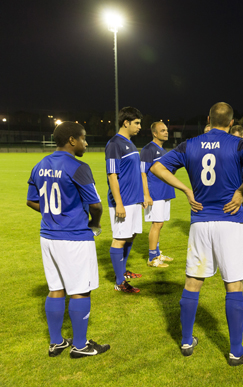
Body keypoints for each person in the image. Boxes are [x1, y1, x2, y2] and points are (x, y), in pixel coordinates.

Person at [151, 102, 243, 366]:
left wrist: (186, 190)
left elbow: (157, 167)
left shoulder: (190, 144)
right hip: (230, 221)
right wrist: (240, 192)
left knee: (193, 282)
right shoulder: (238, 144)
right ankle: (236, 352)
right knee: (233, 285)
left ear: (208, 119)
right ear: (231, 121)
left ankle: (186, 340)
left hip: (200, 221)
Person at [27, 122, 110, 358]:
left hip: (48, 236)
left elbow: (32, 201)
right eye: (83, 139)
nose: (85, 143)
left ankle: (57, 343)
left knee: (56, 288)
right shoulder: (78, 167)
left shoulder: (40, 165)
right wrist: (94, 223)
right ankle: (81, 345)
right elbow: (95, 205)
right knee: (80, 290)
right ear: (72, 140)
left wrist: (53, 214)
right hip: (74, 237)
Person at [105, 106, 144, 293]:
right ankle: (120, 282)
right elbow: (112, 175)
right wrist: (119, 203)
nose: (139, 127)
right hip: (123, 201)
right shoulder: (115, 144)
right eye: (136, 123)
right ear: (125, 122)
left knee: (130, 235)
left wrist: (142, 196)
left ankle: (122, 271)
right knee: (119, 239)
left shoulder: (129, 142)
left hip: (134, 200)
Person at [140, 121, 176, 268]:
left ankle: (157, 253)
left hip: (165, 192)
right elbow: (142, 173)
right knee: (157, 223)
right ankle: (152, 258)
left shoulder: (163, 150)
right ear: (154, 133)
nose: (166, 132)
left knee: (160, 224)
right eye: (162, 130)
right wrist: (146, 195)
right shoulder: (148, 149)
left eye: (166, 130)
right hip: (155, 193)